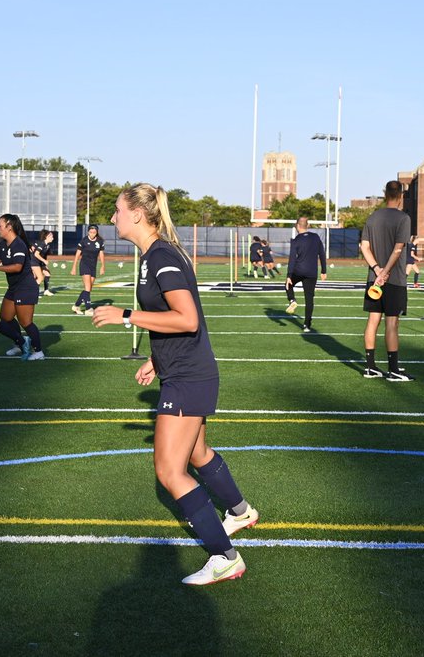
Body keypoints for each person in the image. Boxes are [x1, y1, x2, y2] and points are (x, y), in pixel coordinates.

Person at [91, 183, 257, 585]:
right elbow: (175, 318)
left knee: (170, 471)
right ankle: (240, 512)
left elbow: (187, 318)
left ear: (136, 214)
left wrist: (126, 315)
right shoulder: (154, 255)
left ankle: (225, 556)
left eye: (116, 210)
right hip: (183, 370)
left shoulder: (161, 255)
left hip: (188, 377)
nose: (112, 218)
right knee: (198, 453)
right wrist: (154, 358)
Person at [359, 180, 413, 381]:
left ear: (385, 194)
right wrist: (385, 272)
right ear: (400, 196)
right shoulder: (403, 218)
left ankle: (370, 367)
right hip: (394, 279)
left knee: (373, 320)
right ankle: (393, 370)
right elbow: (398, 249)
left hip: (374, 279)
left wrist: (376, 270)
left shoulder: (373, 217)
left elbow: (364, 247)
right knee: (392, 323)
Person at [0, 214, 45, 361]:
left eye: (0, 225)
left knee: (25, 322)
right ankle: (20, 343)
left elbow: (17, 267)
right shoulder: (2, 244)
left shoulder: (19, 244)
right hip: (14, 288)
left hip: (26, 287)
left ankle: (38, 351)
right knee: (5, 318)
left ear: (9, 226)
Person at [285, 216, 328, 332]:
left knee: (288, 284)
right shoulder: (315, 237)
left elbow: (292, 259)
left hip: (298, 270)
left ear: (297, 226)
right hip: (311, 272)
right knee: (309, 299)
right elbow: (322, 255)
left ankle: (292, 300)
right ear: (307, 225)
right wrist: (324, 271)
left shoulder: (296, 240)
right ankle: (307, 325)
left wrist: (289, 275)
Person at [70, 224, 107, 314]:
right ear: (88, 232)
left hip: (93, 266)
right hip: (84, 265)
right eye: (90, 232)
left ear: (97, 232)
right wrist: (73, 267)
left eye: (94, 232)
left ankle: (76, 306)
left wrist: (102, 266)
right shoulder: (84, 241)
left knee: (89, 288)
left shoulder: (100, 241)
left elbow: (101, 254)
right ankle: (88, 309)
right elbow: (77, 254)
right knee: (87, 287)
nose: (92, 234)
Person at [31, 229, 56, 296]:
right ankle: (33, 293)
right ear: (47, 237)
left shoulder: (47, 245)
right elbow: (36, 254)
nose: (53, 238)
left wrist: (45, 263)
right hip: (34, 262)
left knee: (47, 274)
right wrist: (44, 261)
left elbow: (44, 255)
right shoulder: (42, 244)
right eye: (51, 236)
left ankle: (46, 291)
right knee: (40, 278)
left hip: (40, 262)